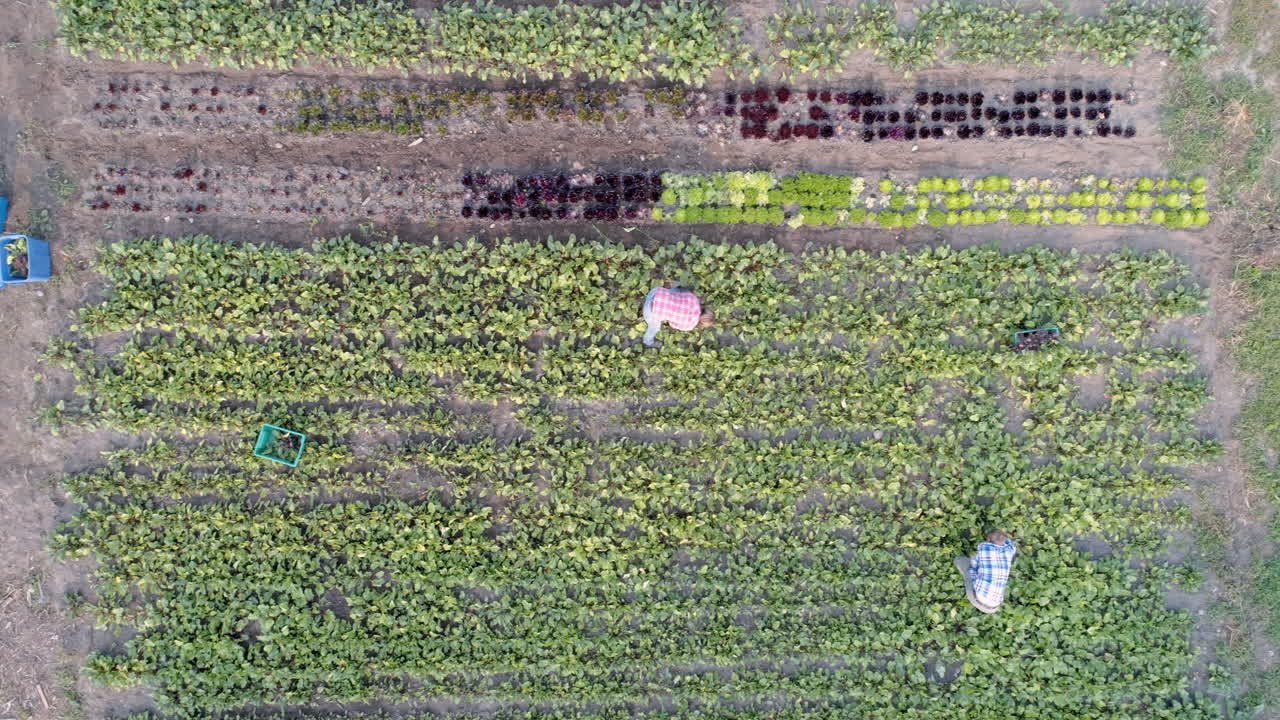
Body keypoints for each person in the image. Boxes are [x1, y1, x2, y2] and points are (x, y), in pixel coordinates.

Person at [954, 530, 1016, 613]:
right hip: (994, 607)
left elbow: (973, 566)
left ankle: (957, 560)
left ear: (989, 540)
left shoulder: (985, 549)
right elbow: (1011, 545)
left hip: (978, 598)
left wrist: (970, 573)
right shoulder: (1009, 551)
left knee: (962, 562)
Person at [641, 285, 714, 347]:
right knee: (654, 328)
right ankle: (648, 341)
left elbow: (681, 294)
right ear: (702, 323)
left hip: (655, 292)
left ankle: (674, 285)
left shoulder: (694, 299)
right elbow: (672, 324)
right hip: (649, 312)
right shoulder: (690, 325)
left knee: (676, 291)